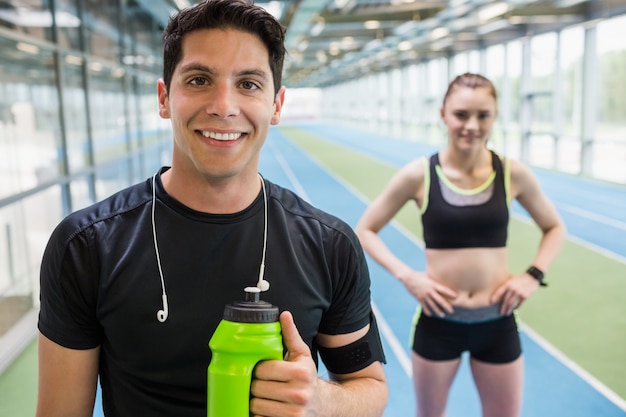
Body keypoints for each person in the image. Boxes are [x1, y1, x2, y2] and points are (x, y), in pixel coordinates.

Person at [35, 1, 387, 416]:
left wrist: (323, 400)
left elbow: (369, 387)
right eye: (200, 79)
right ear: (165, 98)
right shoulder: (86, 245)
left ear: (276, 105)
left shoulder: (330, 245)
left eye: (249, 84)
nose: (223, 106)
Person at [355, 73, 565, 417]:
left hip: (497, 323)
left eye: (483, 115)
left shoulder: (513, 173)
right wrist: (409, 277)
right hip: (439, 324)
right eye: (461, 114)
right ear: (443, 114)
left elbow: (554, 227)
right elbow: (366, 229)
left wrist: (532, 275)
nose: (471, 125)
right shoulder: (419, 174)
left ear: (494, 116)